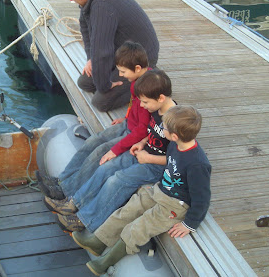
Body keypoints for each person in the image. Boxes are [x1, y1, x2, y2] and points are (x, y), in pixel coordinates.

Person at [72, 105, 211, 276]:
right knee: (129, 209)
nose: (161, 128)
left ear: (174, 135)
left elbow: (202, 198)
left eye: (164, 128)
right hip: (161, 190)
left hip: (175, 205)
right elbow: (171, 163)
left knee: (139, 227)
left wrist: (190, 224)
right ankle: (97, 242)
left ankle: (105, 262)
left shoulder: (198, 164)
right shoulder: (175, 145)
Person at [45, 69, 176, 233]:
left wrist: (148, 157)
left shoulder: (175, 123)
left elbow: (175, 160)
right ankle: (74, 203)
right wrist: (142, 143)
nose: (142, 106)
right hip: (143, 152)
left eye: (145, 102)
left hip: (155, 165)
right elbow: (151, 132)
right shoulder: (156, 109)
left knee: (117, 180)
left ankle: (85, 219)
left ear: (161, 98)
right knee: (106, 167)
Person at [38, 41, 152, 200]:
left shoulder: (148, 89)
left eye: (123, 71)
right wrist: (126, 117)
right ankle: (62, 179)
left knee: (100, 152)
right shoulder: (136, 82)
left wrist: (116, 150)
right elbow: (134, 105)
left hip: (135, 134)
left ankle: (66, 190)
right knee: (94, 141)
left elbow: (143, 129)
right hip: (128, 124)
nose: (120, 75)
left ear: (138, 68)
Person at [63, 0, 159, 112]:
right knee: (84, 83)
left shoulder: (102, 6)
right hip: (121, 50)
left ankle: (151, 74)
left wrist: (104, 86)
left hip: (140, 58)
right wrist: (90, 58)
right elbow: (84, 27)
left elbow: (102, 51)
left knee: (101, 102)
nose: (70, 0)